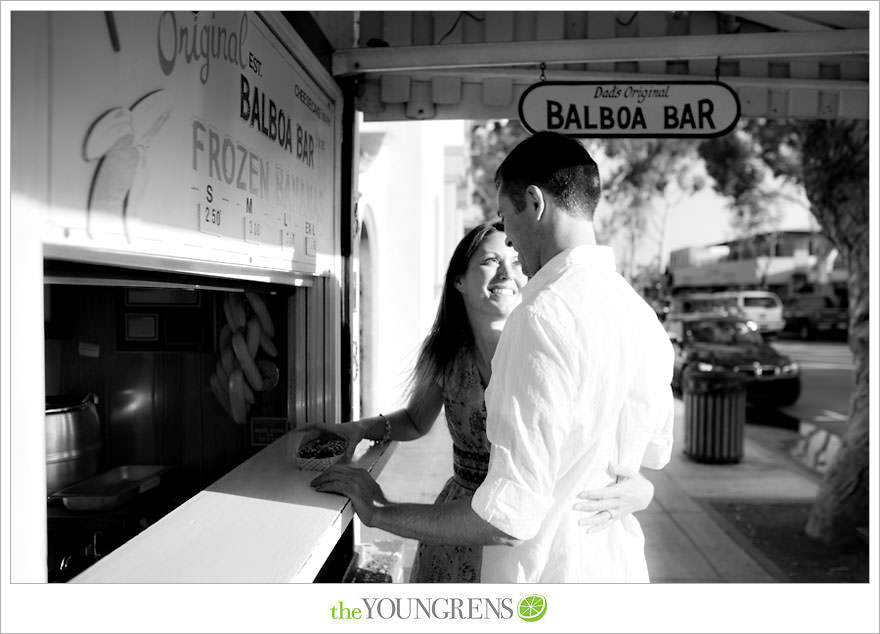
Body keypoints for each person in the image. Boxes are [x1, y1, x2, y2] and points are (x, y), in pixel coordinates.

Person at [312, 131, 674, 582]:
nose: (513, 252)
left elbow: (509, 518)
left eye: (506, 216)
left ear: (535, 203)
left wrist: (379, 509)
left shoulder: (542, 315)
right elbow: (648, 456)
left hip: (542, 579)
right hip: (612, 570)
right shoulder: (641, 317)